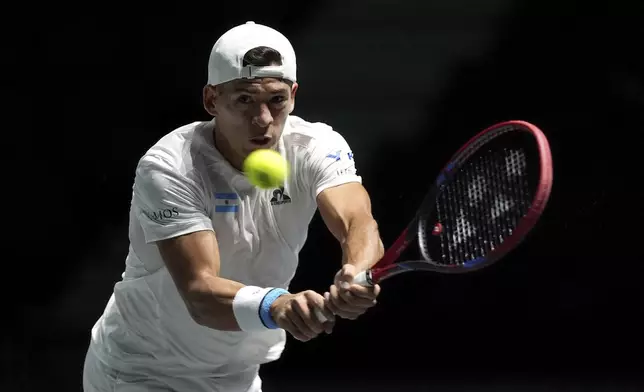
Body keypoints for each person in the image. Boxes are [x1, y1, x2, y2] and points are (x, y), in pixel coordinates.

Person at [82, 21, 384, 392]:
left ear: (293, 95)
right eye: (244, 99)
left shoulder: (314, 145)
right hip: (142, 371)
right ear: (212, 100)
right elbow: (200, 292)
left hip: (236, 376)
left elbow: (358, 221)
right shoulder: (170, 166)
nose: (263, 121)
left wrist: (356, 273)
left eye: (276, 100)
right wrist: (277, 305)